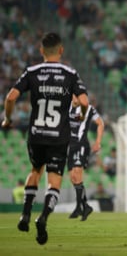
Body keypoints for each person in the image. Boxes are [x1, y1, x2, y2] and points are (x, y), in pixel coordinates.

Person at [1, 32, 89, 245]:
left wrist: (7, 119)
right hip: (59, 137)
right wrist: (81, 115)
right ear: (61, 50)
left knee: (35, 171)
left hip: (36, 134)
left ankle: (25, 214)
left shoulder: (32, 71)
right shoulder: (70, 73)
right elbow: (85, 102)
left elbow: (11, 97)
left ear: (41, 51)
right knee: (54, 181)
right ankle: (43, 218)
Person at [67, 95, 104, 220]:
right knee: (72, 177)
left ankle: (79, 207)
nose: (76, 98)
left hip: (81, 144)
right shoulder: (65, 107)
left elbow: (100, 123)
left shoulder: (88, 109)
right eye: (74, 95)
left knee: (77, 173)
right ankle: (85, 206)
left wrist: (98, 142)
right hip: (69, 146)